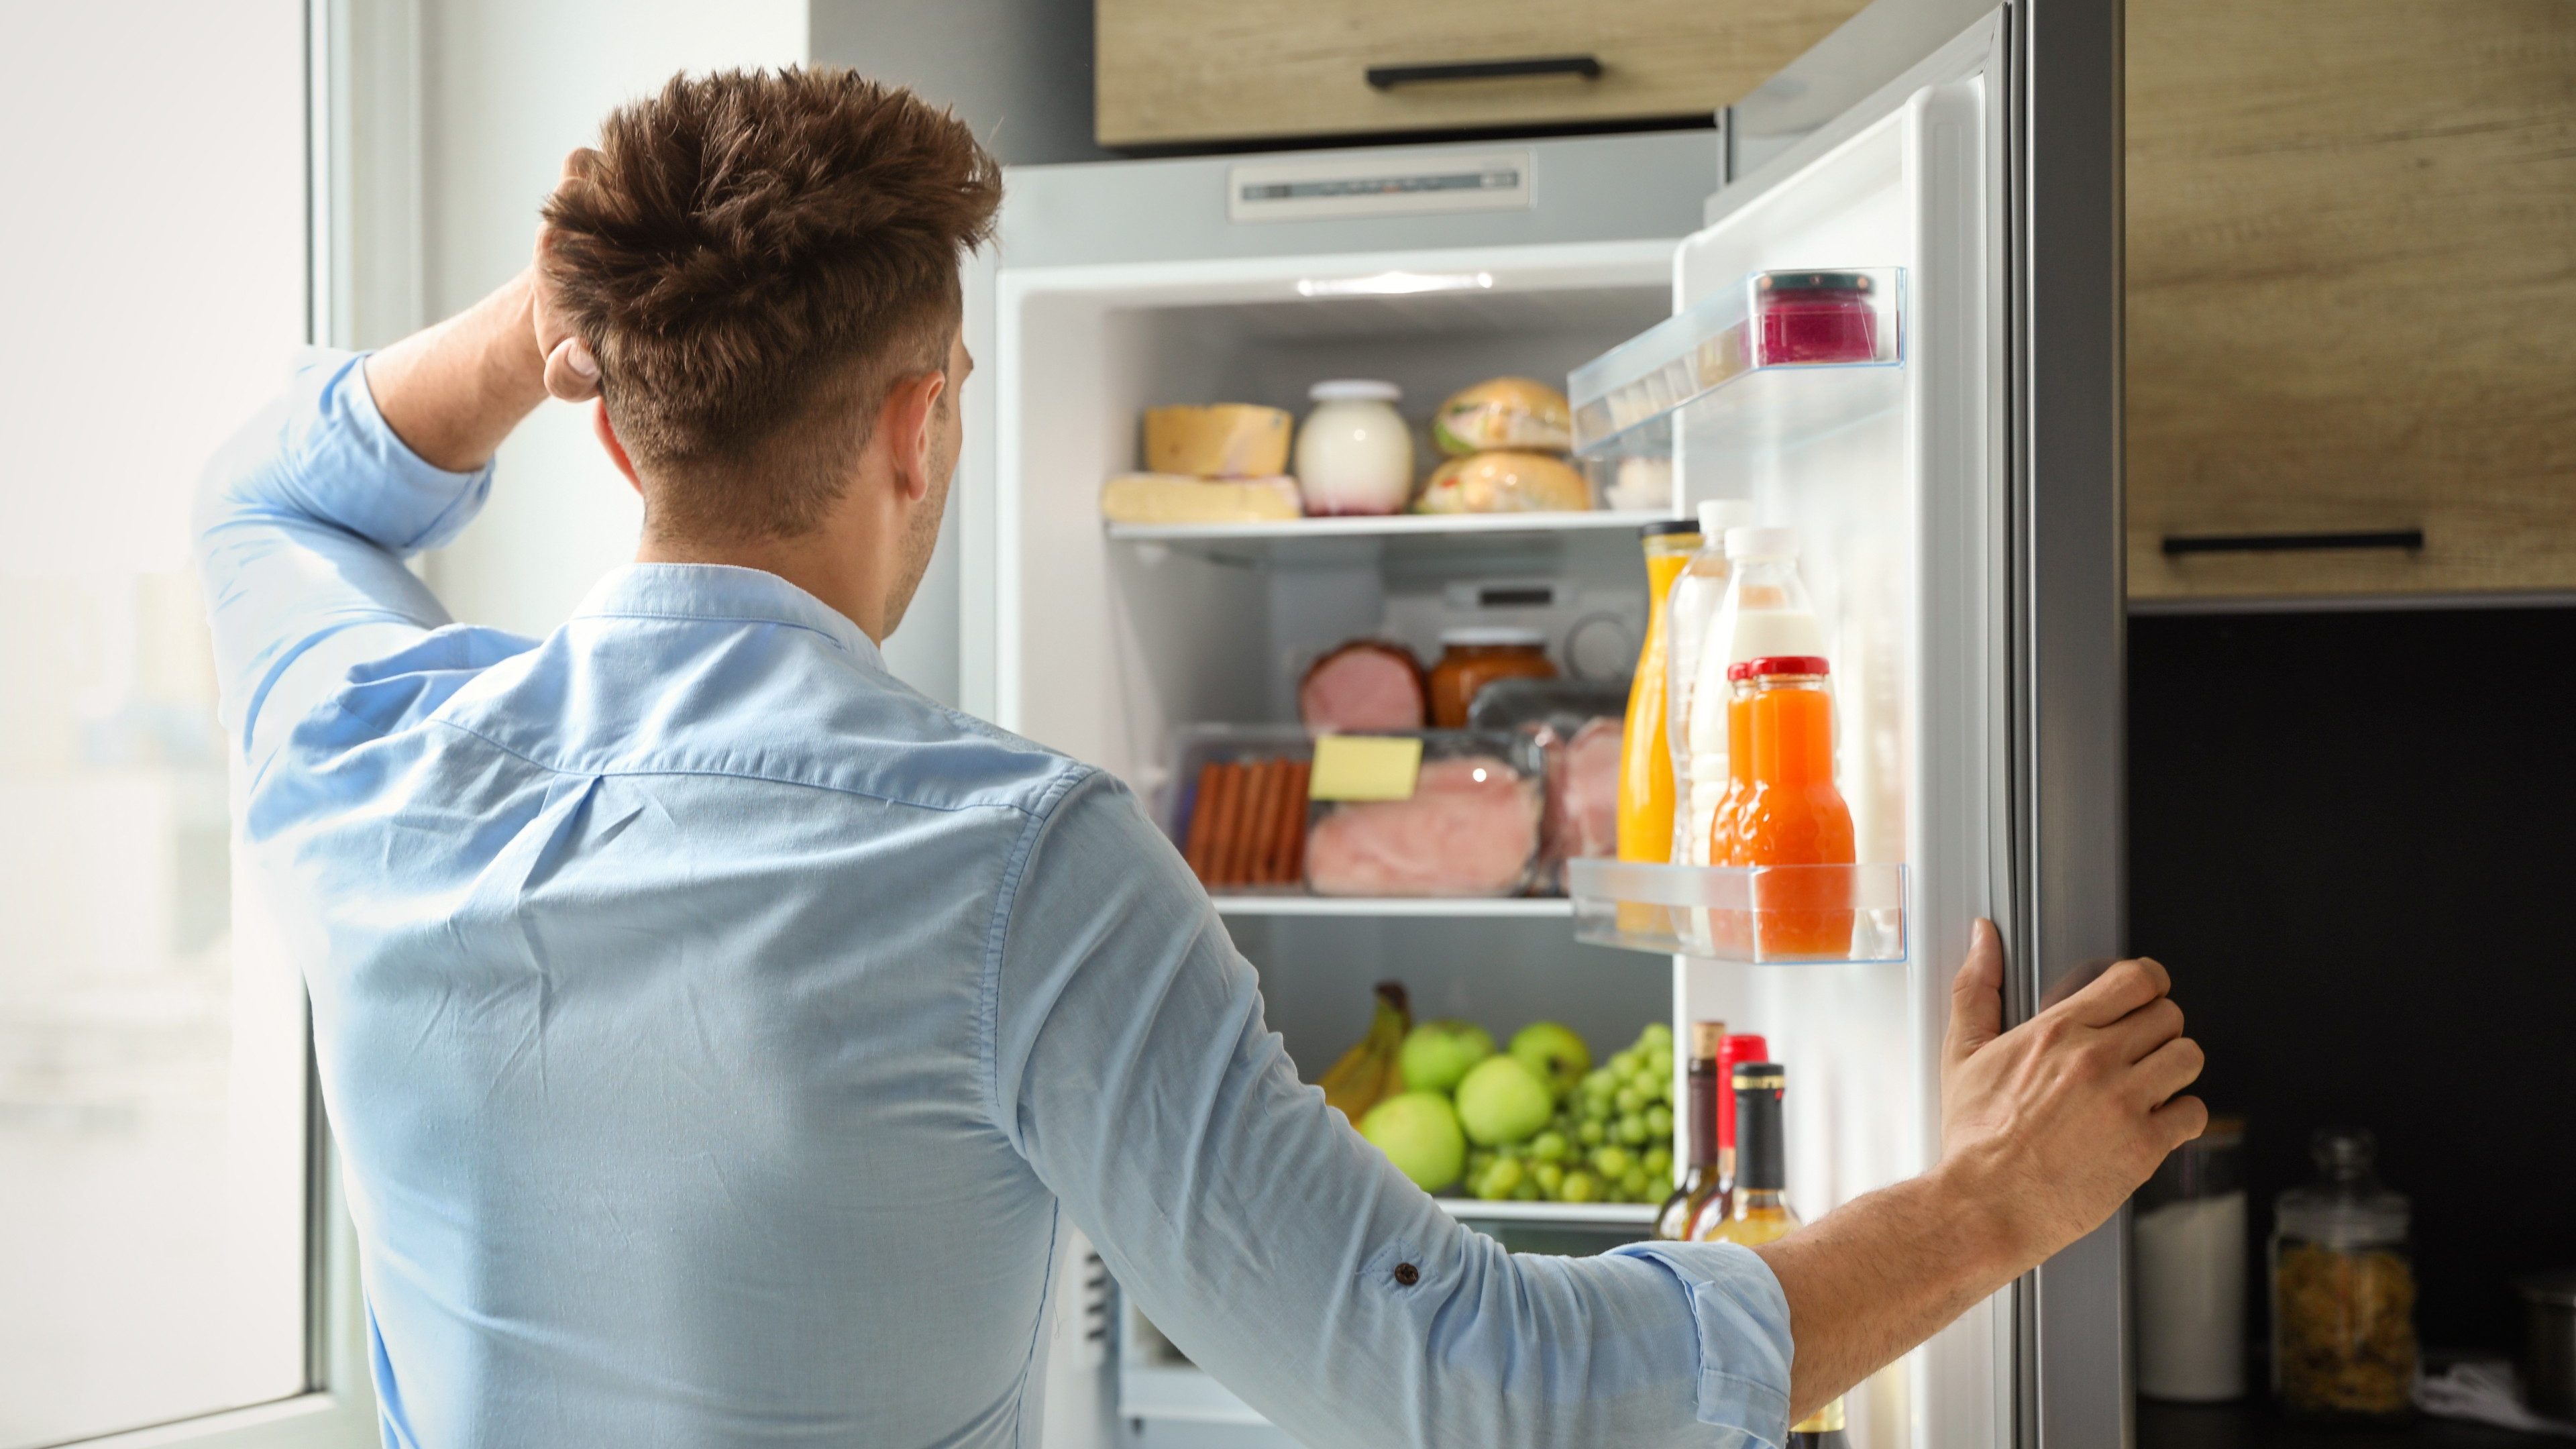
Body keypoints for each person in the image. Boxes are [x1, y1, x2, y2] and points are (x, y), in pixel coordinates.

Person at [197, 68, 2205, 1448]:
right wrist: (1987, 1208)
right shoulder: (1012, 865)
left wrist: (533, 324)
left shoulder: (366, 758)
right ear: (922, 427)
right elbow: (1467, 1384)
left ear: (617, 433)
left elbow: (264, 506)